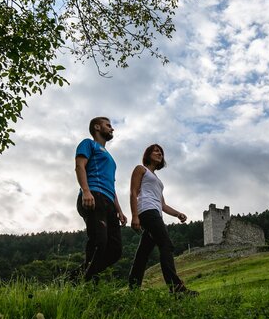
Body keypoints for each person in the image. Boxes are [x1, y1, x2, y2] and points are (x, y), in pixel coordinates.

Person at [128, 143, 197, 296]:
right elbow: (133, 192)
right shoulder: (140, 169)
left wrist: (178, 213)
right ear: (148, 154)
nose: (160, 154)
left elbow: (163, 204)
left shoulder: (157, 180)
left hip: (155, 212)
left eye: (161, 152)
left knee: (143, 254)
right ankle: (177, 290)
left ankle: (132, 291)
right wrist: (134, 215)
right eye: (156, 151)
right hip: (146, 210)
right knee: (166, 244)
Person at [75, 117, 127, 282]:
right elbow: (80, 166)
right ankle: (85, 284)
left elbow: (111, 184)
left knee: (115, 250)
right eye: (108, 125)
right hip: (94, 196)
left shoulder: (110, 158)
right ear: (97, 127)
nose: (112, 129)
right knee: (99, 242)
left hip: (109, 202)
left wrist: (119, 209)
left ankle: (75, 279)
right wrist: (86, 191)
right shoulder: (88, 144)